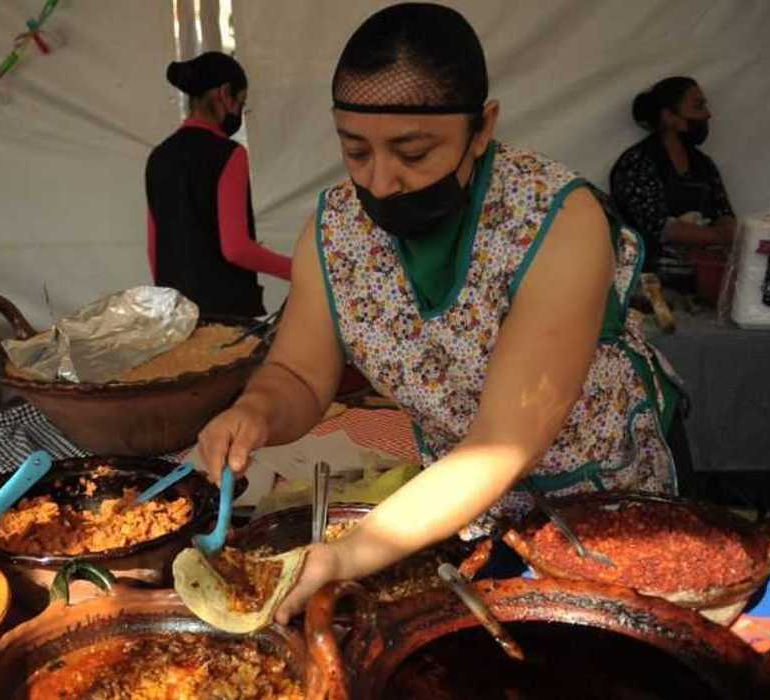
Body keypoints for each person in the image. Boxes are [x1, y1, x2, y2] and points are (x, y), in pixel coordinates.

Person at [196, 3, 684, 622]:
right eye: (356, 151)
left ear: (482, 128)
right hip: (449, 505)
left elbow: (502, 444)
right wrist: (255, 412)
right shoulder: (336, 226)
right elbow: (299, 372)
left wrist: (349, 557)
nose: (381, 182)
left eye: (413, 152)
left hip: (598, 503)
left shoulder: (556, 219)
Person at [145, 51, 291, 318]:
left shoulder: (158, 157)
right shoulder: (230, 154)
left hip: (178, 319)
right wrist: (296, 270)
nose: (239, 112)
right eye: (240, 102)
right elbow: (236, 248)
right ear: (224, 94)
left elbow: (154, 249)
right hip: (226, 317)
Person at [610, 77, 736, 294]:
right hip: (648, 288)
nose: (707, 114)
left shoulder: (704, 165)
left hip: (701, 286)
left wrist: (726, 231)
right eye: (698, 107)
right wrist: (717, 235)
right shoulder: (637, 162)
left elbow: (725, 215)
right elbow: (659, 227)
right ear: (668, 116)